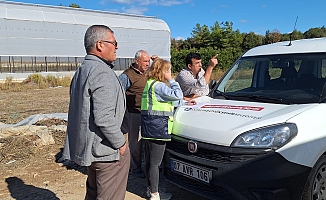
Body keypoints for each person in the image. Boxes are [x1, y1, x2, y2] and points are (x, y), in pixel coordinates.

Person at [60, 25, 130, 200]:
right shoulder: (102, 72)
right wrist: (120, 143)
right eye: (114, 43)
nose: (117, 47)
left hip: (91, 150)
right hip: (106, 152)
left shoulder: (82, 70)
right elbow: (104, 118)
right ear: (100, 45)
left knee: (93, 193)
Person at [141, 58, 190, 200]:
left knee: (150, 162)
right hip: (158, 129)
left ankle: (150, 189)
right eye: (167, 70)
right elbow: (177, 95)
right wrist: (173, 80)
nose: (169, 73)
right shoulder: (160, 86)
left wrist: (184, 101)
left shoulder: (150, 84)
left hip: (148, 128)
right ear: (162, 71)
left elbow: (167, 100)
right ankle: (155, 194)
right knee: (155, 164)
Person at [119, 50, 157, 178]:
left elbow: (163, 73)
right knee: (135, 142)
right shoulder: (127, 76)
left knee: (148, 140)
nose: (148, 64)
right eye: (145, 61)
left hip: (149, 112)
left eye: (149, 61)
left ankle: (149, 165)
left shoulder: (148, 73)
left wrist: (157, 62)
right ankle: (135, 168)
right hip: (134, 112)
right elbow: (119, 94)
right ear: (137, 61)